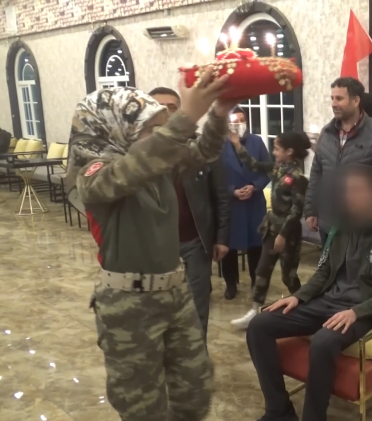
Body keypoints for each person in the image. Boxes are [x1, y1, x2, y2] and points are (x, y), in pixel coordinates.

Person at [67, 79, 237, 421]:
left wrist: (218, 113)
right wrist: (186, 116)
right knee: (143, 407)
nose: (159, 135)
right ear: (120, 128)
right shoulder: (93, 173)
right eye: (150, 129)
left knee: (195, 390)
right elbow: (130, 171)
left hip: (176, 294)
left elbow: (202, 152)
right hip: (128, 305)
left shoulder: (155, 165)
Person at [247, 164, 372, 421]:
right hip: (328, 300)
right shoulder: (342, 225)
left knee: (323, 341)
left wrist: (356, 312)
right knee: (259, 325)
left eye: (357, 190)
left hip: (363, 310)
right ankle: (279, 410)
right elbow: (324, 272)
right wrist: (298, 296)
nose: (349, 197)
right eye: (347, 191)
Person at [149, 86, 231, 340]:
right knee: (160, 307)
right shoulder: (139, 154)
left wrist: (221, 237)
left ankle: (197, 354)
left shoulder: (200, 147)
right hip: (156, 244)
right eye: (159, 108)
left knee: (197, 305)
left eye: (172, 108)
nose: (166, 113)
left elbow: (221, 194)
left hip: (195, 240)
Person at [304, 77, 372, 246]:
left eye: (339, 98)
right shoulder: (326, 133)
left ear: (356, 101)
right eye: (332, 98)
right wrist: (311, 209)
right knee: (328, 264)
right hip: (328, 224)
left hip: (362, 227)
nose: (333, 104)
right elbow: (317, 173)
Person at [229, 131, 310, 328]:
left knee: (288, 276)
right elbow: (254, 165)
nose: (273, 153)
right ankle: (254, 310)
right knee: (262, 270)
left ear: (289, 151)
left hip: (288, 234)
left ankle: (305, 307)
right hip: (271, 228)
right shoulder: (277, 169)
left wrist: (283, 235)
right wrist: (237, 145)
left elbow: (296, 210)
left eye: (277, 149)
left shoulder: (298, 178)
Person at [220, 107, 271, 299]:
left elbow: (267, 170)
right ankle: (231, 284)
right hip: (231, 205)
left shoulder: (256, 142)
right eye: (234, 121)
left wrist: (254, 186)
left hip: (253, 203)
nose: (238, 124)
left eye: (241, 120)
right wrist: (231, 190)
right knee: (229, 247)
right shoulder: (219, 144)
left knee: (256, 246)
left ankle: (256, 282)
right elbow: (214, 176)